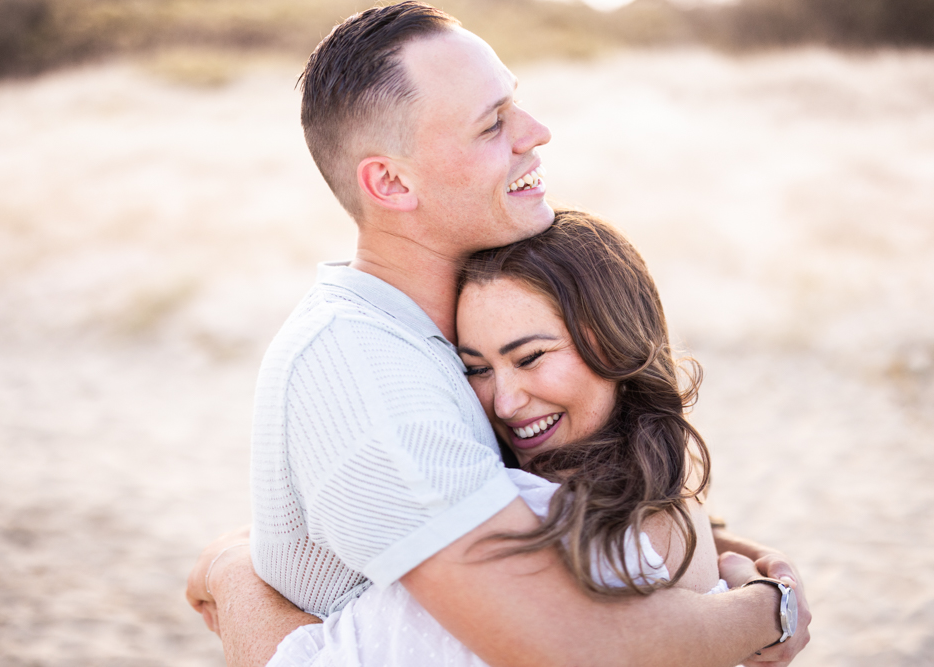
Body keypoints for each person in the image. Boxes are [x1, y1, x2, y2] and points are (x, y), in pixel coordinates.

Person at [185, 3, 812, 666]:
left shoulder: (436, 326)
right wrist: (770, 609)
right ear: (392, 181)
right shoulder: (366, 372)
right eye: (492, 124)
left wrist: (721, 551)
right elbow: (571, 648)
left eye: (516, 104)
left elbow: (551, 516)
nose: (536, 132)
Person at [263, 208, 732, 667]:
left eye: (529, 358)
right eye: (477, 369)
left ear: (615, 339)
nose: (504, 404)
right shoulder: (676, 500)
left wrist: (234, 577)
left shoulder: (536, 523)